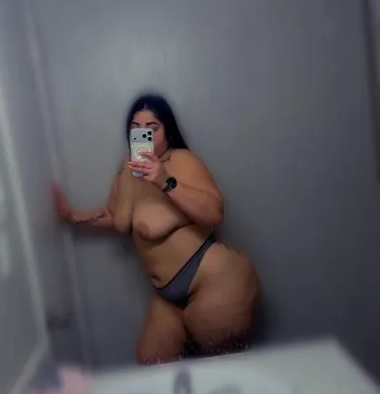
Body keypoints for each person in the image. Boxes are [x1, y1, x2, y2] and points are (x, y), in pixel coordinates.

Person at [54, 93, 260, 365]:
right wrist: (71, 215)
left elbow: (215, 212)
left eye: (152, 128)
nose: (144, 136)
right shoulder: (127, 171)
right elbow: (114, 216)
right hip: (168, 295)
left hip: (216, 281)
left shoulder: (181, 160)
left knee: (220, 368)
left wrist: (164, 180)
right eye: (136, 129)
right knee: (151, 361)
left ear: (168, 131)